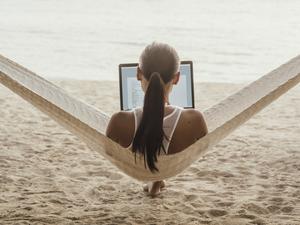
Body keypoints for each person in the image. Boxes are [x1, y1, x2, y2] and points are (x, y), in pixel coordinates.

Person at [106, 42, 208, 197]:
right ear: (177, 78)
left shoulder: (118, 122)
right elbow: (202, 148)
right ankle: (157, 179)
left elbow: (109, 152)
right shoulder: (194, 120)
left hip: (139, 164)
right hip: (172, 158)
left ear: (138, 73)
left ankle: (155, 180)